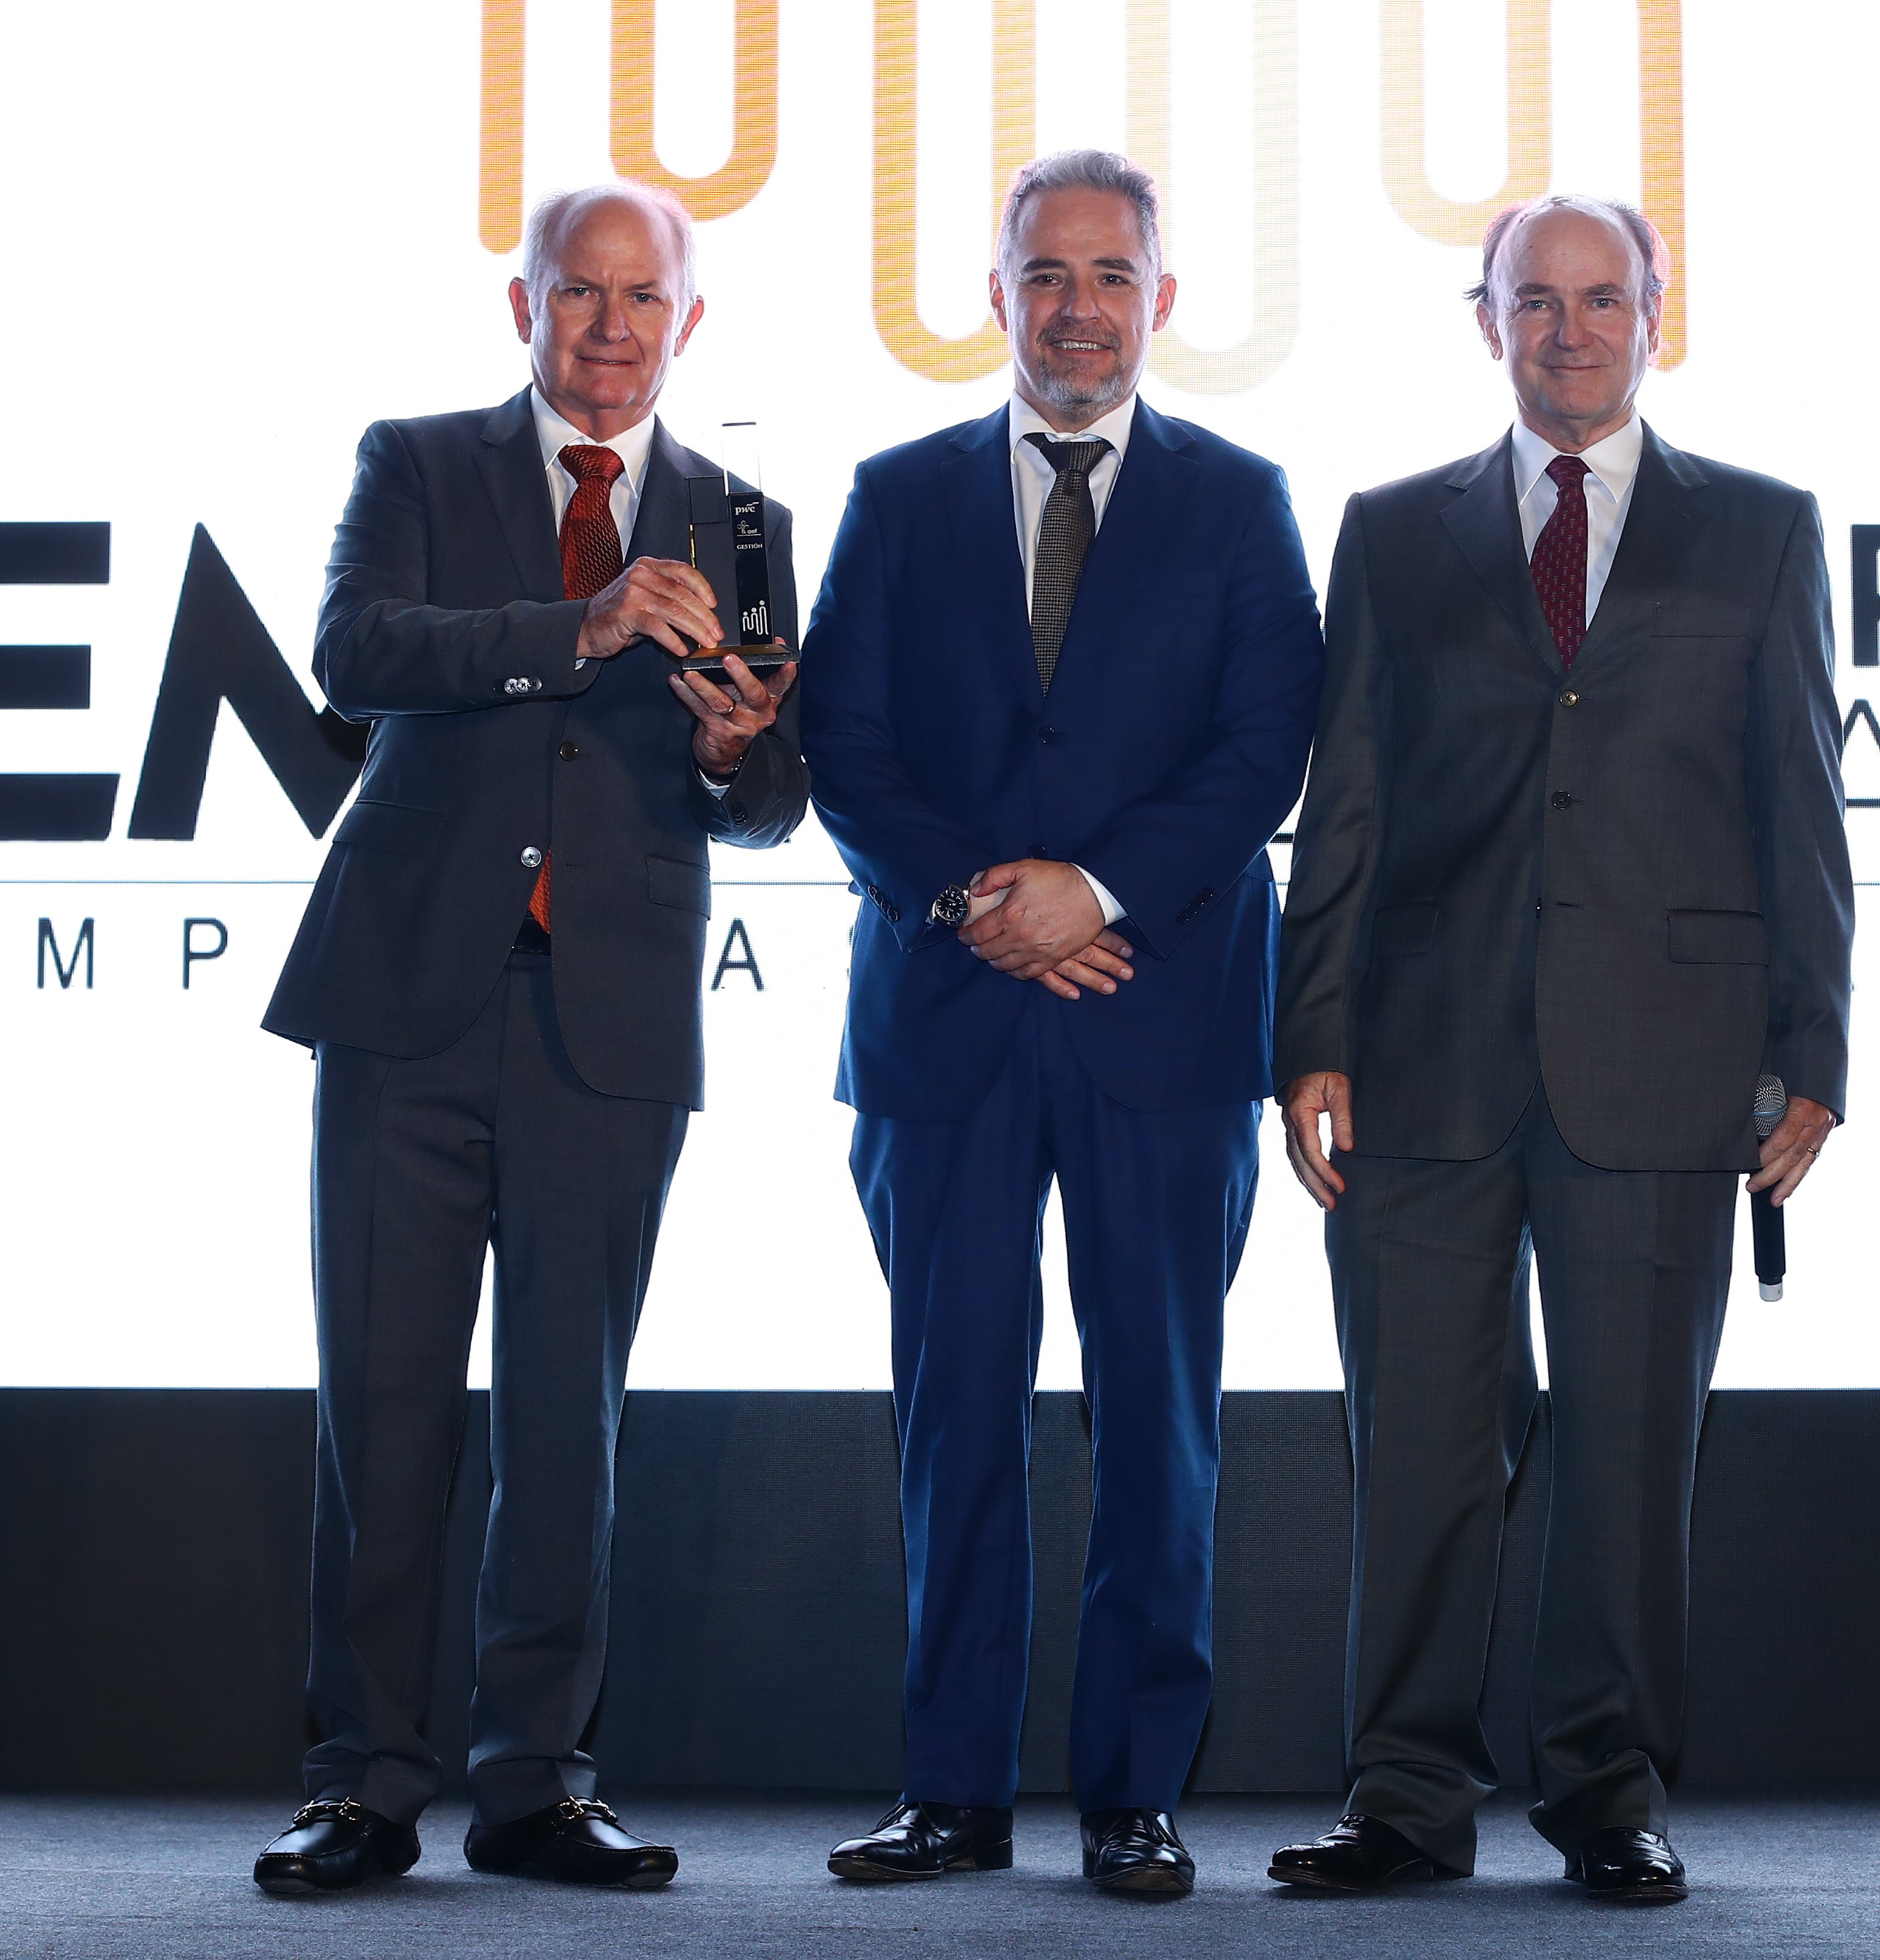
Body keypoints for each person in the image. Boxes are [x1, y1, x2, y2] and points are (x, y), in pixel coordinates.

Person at [1266, 195, 1852, 1905]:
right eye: (1541, 302)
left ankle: (1609, 1792)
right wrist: (1308, 1036)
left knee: (1625, 1451)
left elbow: (1798, 807)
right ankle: (1405, 1801)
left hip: (1669, 1064)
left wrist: (1812, 1051)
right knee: (1422, 1457)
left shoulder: (1761, 531)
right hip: (1421, 1062)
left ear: (1656, 314)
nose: (1573, 330)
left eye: (1605, 300)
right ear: (1489, 321)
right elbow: (1344, 809)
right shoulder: (1389, 531)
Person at [250, 180, 805, 1895]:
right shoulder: (418, 462)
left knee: (570, 1418)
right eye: (583, 294)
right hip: (408, 1007)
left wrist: (734, 749)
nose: (614, 327)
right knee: (386, 1411)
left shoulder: (751, 516)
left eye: (646, 300)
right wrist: (581, 628)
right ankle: (361, 1781)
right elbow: (354, 651)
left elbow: (778, 799)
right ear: (525, 306)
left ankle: (536, 1785)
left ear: (689, 325)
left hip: (608, 1025)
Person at [801, 150, 1323, 1898]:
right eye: (1047, 274)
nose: (1079, 306)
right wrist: (975, 904)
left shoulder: (1244, 501)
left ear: (1161, 303)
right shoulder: (893, 494)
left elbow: (1265, 747)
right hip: (945, 1024)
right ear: (996, 292)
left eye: (1112, 275)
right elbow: (844, 752)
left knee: (1158, 1417)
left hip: (1158, 1020)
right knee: (951, 1415)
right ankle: (949, 1791)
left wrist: (1092, 894)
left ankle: (1131, 1795)